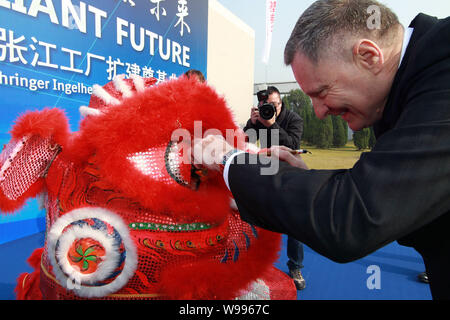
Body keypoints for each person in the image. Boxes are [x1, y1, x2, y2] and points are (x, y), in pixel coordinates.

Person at [192, 0, 450, 300]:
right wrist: (305, 179)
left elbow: (353, 220)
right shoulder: (416, 82)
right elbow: (406, 204)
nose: (318, 113)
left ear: (368, 56)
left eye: (322, 92)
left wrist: (229, 160)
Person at [243, 86, 306, 290]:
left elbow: (293, 145)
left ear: (280, 103)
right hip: (265, 174)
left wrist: (272, 124)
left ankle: (295, 266)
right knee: (256, 221)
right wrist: (252, 124)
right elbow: (244, 144)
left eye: (274, 104)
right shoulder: (259, 118)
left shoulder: (293, 119)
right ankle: (255, 266)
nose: (270, 108)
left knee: (294, 225)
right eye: (265, 105)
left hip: (289, 176)